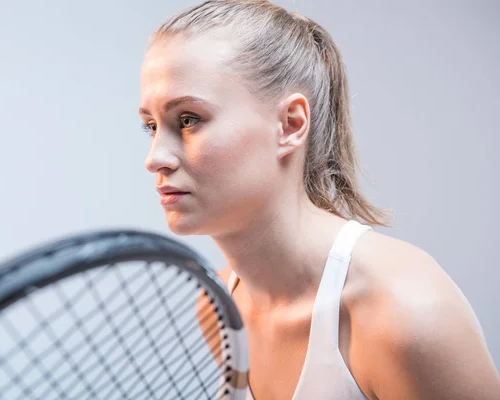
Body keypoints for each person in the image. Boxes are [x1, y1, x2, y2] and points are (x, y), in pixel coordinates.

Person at [138, 0, 500, 398]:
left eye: (188, 119)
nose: (155, 158)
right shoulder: (220, 309)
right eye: (151, 126)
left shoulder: (405, 311)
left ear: (290, 124)